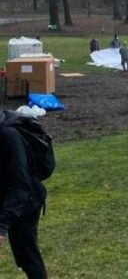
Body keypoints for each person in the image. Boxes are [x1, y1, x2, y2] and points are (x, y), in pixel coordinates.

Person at [0, 115, 49, 278]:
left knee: (27, 256)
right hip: (8, 197)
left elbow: (20, 185)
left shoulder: (9, 137)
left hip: (26, 201)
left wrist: (2, 226)